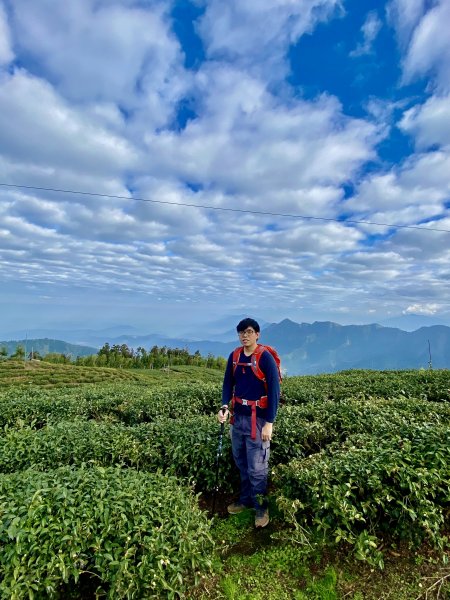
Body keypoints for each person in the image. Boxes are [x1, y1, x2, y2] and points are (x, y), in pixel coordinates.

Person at [218, 317, 280, 528]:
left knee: (258, 467)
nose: (245, 335)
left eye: (249, 331)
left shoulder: (265, 358)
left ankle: (261, 507)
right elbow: (228, 383)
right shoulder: (234, 356)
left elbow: (274, 391)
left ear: (257, 334)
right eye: (242, 332)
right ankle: (245, 500)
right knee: (241, 461)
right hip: (238, 418)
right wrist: (224, 406)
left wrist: (269, 422)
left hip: (258, 419)